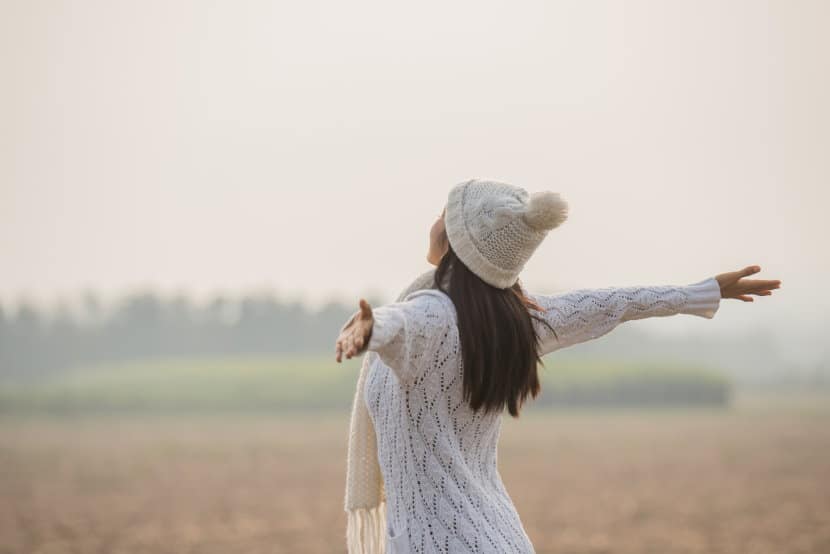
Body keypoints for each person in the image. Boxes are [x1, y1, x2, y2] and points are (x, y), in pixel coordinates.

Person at [335, 178, 781, 554]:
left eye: (443, 215)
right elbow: (612, 304)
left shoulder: (431, 315)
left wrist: (371, 328)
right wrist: (699, 293)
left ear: (454, 240)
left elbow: (403, 322)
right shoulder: (515, 322)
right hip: (499, 539)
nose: (434, 221)